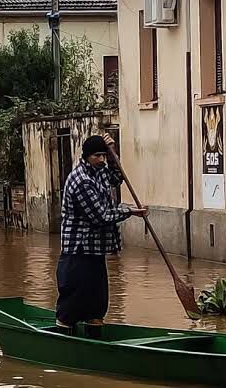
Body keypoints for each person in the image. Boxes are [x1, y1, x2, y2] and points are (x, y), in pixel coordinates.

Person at [56, 134, 148, 336]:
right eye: (97, 156)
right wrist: (130, 211)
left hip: (96, 249)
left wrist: (114, 151)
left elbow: (117, 177)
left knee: (97, 301)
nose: (102, 160)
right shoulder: (81, 181)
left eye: (103, 156)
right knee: (73, 300)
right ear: (87, 156)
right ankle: (63, 337)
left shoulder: (101, 170)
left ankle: (95, 336)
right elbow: (100, 216)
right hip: (78, 249)